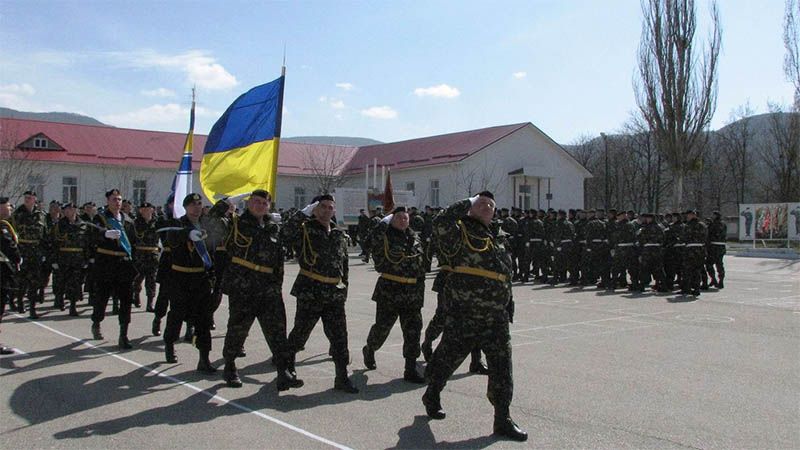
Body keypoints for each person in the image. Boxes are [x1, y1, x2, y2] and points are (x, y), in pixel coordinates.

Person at [422, 191, 526, 442]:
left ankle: (502, 418)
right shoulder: (458, 232)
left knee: (502, 369)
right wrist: (468, 201)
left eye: (491, 204)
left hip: (496, 317)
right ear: (470, 208)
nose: (487, 206)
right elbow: (439, 222)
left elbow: (504, 275)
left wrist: (508, 303)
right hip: (465, 313)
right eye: (481, 203)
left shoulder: (499, 237)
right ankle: (432, 393)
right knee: (448, 359)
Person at [205, 190, 302, 391]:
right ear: (248, 204)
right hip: (244, 288)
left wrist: (277, 286)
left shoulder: (273, 228)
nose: (259, 205)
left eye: (264, 203)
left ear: (269, 206)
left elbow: (279, 260)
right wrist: (228, 202)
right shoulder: (236, 224)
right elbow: (211, 219)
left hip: (268, 289)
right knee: (238, 331)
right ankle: (230, 366)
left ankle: (283, 372)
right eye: (255, 202)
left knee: (277, 332)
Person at [284, 194, 358, 393]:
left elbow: (344, 266)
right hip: (310, 291)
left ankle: (342, 378)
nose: (327, 210)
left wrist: (345, 290)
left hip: (334, 295)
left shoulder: (338, 234)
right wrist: (303, 214)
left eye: (330, 207)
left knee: (340, 338)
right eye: (322, 207)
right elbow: (285, 234)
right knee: (300, 335)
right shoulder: (304, 230)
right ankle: (286, 370)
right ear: (314, 209)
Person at [362, 206, 426, 383]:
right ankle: (370, 348)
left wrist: (420, 294)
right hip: (390, 291)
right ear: (391, 219)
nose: (403, 221)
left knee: (413, 332)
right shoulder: (384, 236)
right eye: (398, 218)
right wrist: (382, 224)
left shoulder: (415, 238)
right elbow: (368, 242)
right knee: (382, 328)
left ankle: (410, 368)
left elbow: (421, 266)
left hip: (412, 294)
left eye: (405, 218)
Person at [163, 193, 216, 373]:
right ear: (185, 207)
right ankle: (170, 344)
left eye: (199, 204)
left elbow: (213, 250)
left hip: (201, 279)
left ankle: (204, 358)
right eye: (192, 205)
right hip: (180, 278)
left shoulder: (207, 225)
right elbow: (171, 238)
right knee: (177, 315)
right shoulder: (177, 224)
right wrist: (188, 233)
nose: (196, 207)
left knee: (204, 319)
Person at [89, 189, 138, 349]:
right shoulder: (101, 218)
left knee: (126, 300)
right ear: (108, 201)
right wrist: (104, 234)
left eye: (119, 199)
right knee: (102, 298)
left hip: (123, 265)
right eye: (113, 199)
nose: (117, 202)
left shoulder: (128, 220)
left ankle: (123, 334)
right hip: (106, 263)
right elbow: (91, 235)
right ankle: (96, 322)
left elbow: (134, 242)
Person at [10, 191, 47, 318]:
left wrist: (45, 252)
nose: (27, 200)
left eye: (30, 198)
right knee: (21, 280)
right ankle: (19, 302)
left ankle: (32, 308)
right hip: (22, 250)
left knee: (35, 281)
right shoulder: (17, 214)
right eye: (26, 198)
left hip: (36, 252)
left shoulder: (41, 215)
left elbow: (45, 234)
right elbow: (11, 232)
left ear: (35, 199)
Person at [49, 203, 89, 316]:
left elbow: (87, 243)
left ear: (75, 210)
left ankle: (73, 306)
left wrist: (87, 258)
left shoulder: (83, 225)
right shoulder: (59, 225)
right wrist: (53, 260)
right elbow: (53, 243)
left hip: (78, 258)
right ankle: (59, 299)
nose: (68, 211)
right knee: (61, 281)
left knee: (76, 283)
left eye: (71, 209)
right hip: (63, 258)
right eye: (66, 209)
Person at [0, 197, 21, 354]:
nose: (10, 208)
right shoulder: (2, 228)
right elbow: (9, 247)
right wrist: (18, 258)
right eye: (7, 206)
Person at [132, 202, 160, 311]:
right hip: (140, 255)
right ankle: (136, 294)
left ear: (152, 210)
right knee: (138, 277)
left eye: (148, 209)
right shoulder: (136, 223)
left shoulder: (157, 223)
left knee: (151, 279)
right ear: (140, 211)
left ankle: (150, 303)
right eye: (143, 209)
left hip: (153, 254)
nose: (146, 211)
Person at [681, 209, 707, 297]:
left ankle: (688, 288)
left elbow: (683, 238)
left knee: (688, 270)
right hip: (699, 250)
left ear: (693, 215)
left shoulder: (688, 226)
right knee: (696, 270)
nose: (687, 217)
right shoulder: (702, 225)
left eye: (689, 215)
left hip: (691, 250)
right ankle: (696, 288)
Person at [705, 211, 727, 289]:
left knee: (709, 264)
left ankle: (713, 279)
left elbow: (708, 235)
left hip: (713, 247)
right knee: (719, 264)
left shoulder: (712, 224)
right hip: (721, 247)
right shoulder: (724, 224)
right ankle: (721, 281)